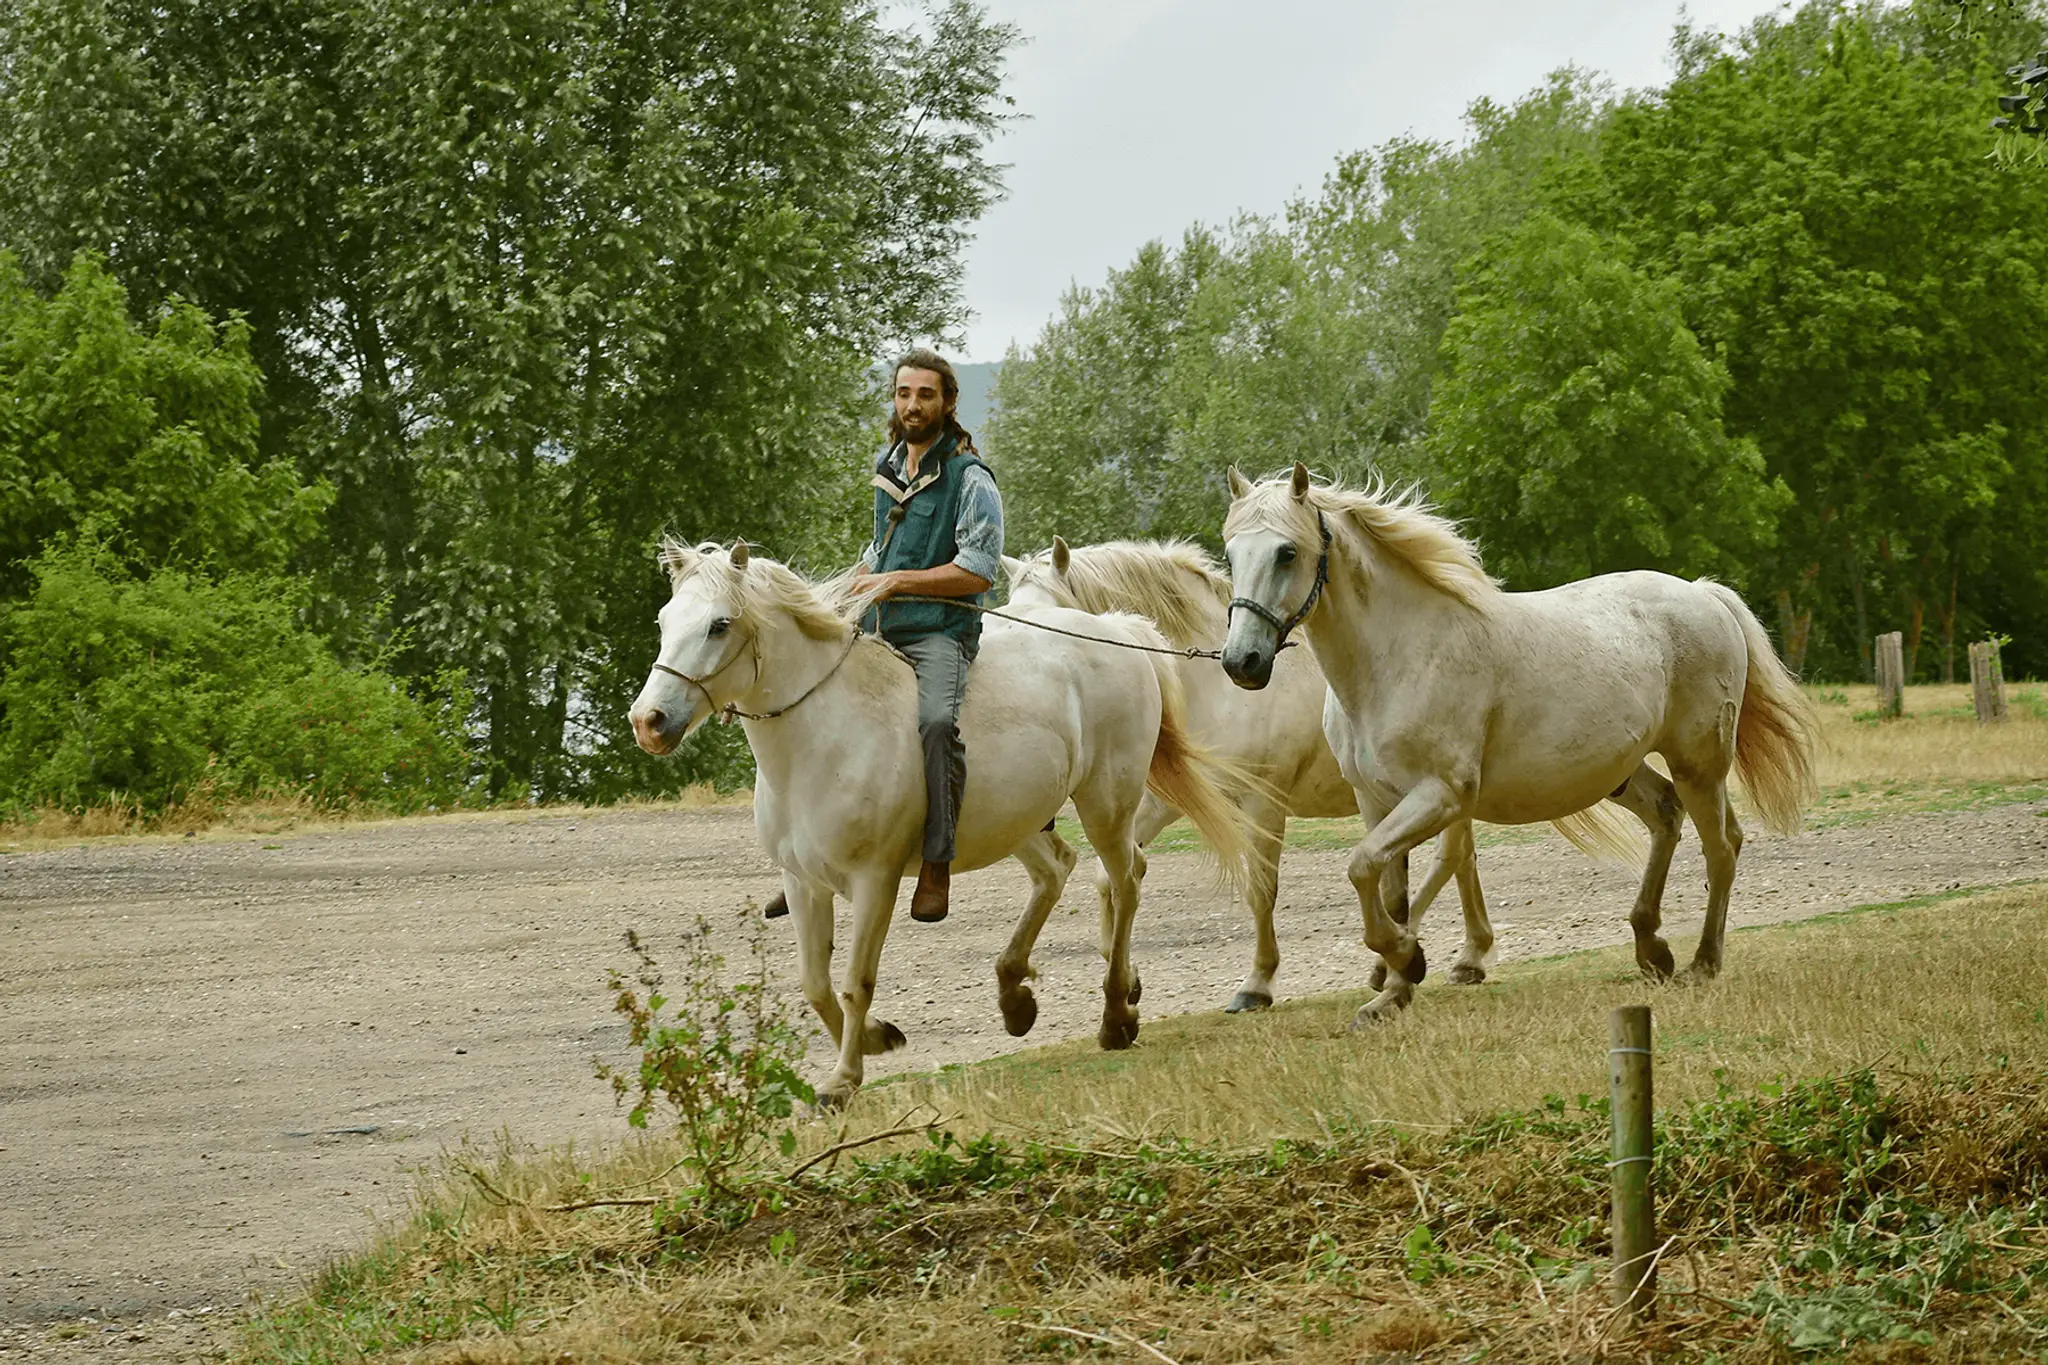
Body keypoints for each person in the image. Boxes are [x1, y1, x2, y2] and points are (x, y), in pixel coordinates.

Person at [761, 348, 1003, 925]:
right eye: (904, 394)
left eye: (925, 395)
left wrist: (895, 580)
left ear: (948, 402)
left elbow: (979, 569)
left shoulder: (971, 479)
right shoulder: (889, 464)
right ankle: (804, 859)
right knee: (803, 697)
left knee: (938, 725)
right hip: (875, 627)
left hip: (940, 634)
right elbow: (880, 550)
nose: (913, 405)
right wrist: (849, 588)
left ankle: (937, 862)